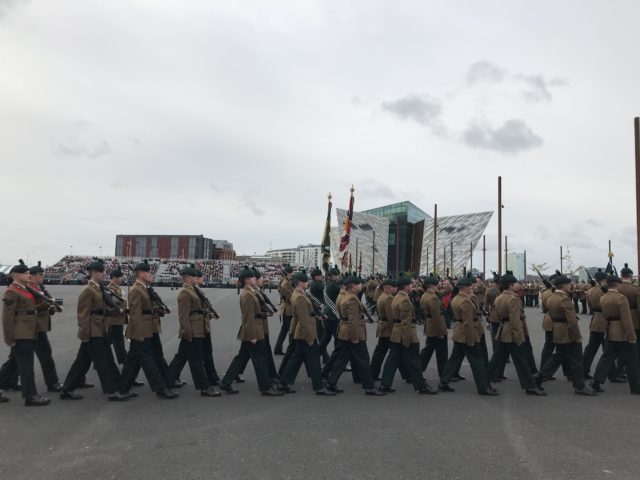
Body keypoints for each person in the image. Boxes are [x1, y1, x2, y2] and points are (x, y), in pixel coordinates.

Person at [59, 259, 131, 402]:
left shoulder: (98, 288)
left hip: (100, 328)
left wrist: (114, 311)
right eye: (102, 272)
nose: (104, 274)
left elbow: (100, 310)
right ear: (95, 273)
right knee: (103, 361)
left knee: (83, 362)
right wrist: (85, 333)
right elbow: (83, 314)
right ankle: (113, 391)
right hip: (92, 331)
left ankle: (67, 389)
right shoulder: (88, 290)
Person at [219, 267, 282, 396]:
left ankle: (226, 382)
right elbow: (248, 317)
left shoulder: (251, 292)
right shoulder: (247, 295)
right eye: (253, 277)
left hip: (254, 329)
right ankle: (265, 388)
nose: (256, 279)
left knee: (241, 358)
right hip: (253, 331)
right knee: (260, 360)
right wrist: (253, 335)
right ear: (247, 280)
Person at [119, 260, 178, 399]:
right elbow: (135, 313)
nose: (151, 274)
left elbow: (147, 309)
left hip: (147, 328)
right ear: (140, 274)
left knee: (133, 361)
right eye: (148, 272)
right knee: (148, 361)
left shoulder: (143, 288)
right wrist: (138, 332)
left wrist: (159, 310)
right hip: (141, 331)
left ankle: (122, 388)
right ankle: (161, 388)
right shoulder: (136, 290)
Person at [535, 274, 596, 395]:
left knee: (558, 356)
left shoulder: (552, 298)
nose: (570, 285)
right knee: (576, 359)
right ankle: (580, 386)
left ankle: (539, 377)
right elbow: (572, 321)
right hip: (567, 332)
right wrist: (577, 336)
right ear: (563, 286)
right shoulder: (564, 299)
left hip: (557, 330)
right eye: (568, 284)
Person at [165, 265, 221, 397]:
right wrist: (187, 332)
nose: (196, 278)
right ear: (188, 278)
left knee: (180, 358)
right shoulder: (185, 293)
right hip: (192, 331)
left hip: (197, 329)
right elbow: (183, 316)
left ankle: (165, 382)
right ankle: (204, 387)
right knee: (195, 360)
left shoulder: (193, 290)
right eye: (194, 276)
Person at [0, 260, 51, 406]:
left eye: (29, 273)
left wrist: (42, 307)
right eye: (26, 273)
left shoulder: (25, 289)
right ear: (16, 275)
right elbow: (7, 318)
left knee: (13, 363)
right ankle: (31, 396)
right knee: (26, 366)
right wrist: (9, 338)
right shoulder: (12, 291)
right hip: (20, 333)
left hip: (30, 331)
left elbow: (31, 309)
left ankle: (11, 385)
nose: (29, 275)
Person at [486, 272, 546, 395]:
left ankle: (485, 381)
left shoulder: (499, 297)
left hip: (503, 331)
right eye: (515, 284)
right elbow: (515, 320)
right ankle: (530, 386)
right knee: (521, 361)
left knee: (497, 358)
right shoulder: (513, 299)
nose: (516, 286)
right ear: (511, 285)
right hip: (512, 333)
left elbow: (497, 315)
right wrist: (519, 337)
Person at [325, 276, 385, 396]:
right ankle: (369, 387)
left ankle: (331, 383)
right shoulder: (351, 299)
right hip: (352, 333)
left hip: (345, 331)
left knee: (342, 360)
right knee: (363, 359)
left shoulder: (344, 296)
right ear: (353, 286)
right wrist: (355, 337)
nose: (360, 286)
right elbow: (352, 320)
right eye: (358, 284)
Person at [277, 271, 334, 396]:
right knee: (313, 359)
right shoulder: (300, 297)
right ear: (301, 283)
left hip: (302, 331)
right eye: (306, 281)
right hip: (305, 332)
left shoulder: (298, 294)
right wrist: (310, 336)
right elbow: (303, 319)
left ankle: (283, 382)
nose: (308, 283)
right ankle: (318, 387)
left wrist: (317, 316)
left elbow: (306, 314)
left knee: (297, 359)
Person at [438, 275, 497, 396]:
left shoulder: (456, 298)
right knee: (477, 362)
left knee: (454, 359)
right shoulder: (466, 302)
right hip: (467, 334)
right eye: (471, 285)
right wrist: (471, 340)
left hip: (459, 333)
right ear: (465, 287)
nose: (473, 287)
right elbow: (468, 322)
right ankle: (483, 387)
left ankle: (443, 382)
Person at [380, 277, 437, 394]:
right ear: (405, 286)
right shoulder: (404, 300)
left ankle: (385, 384)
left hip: (397, 332)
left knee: (392, 359)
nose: (412, 287)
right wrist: (407, 339)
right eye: (410, 285)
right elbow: (405, 321)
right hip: (405, 332)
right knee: (414, 360)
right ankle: (421, 386)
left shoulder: (396, 297)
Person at [591, 275, 640, 394]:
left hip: (610, 330)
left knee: (607, 358)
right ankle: (636, 387)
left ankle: (597, 381)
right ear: (617, 284)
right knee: (632, 360)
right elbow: (627, 320)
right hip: (622, 332)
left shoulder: (604, 297)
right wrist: (632, 336)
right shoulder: (621, 298)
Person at [28, 261, 62, 392]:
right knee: (46, 355)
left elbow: (45, 304)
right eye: (39, 274)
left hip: (39, 326)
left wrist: (50, 309)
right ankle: (52, 383)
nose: (42, 276)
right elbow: (29, 308)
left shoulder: (39, 288)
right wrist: (43, 308)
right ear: (32, 276)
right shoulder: (29, 289)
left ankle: (7, 381)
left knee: (16, 359)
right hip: (34, 327)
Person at [194, 268, 223, 387]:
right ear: (195, 279)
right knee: (197, 356)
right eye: (201, 277)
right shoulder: (192, 291)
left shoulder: (197, 290)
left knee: (184, 356)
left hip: (203, 325)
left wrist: (209, 313)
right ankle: (208, 380)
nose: (203, 279)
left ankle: (212, 377)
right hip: (197, 328)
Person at [419, 274, 448, 380]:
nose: (438, 286)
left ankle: (417, 371)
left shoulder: (425, 295)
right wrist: (440, 332)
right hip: (436, 327)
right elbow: (436, 316)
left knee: (427, 351)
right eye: (437, 284)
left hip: (429, 325)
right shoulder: (433, 298)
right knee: (442, 354)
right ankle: (444, 376)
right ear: (432, 286)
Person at [370, 278, 398, 380]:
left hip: (383, 325)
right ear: (389, 288)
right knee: (395, 353)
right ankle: (407, 375)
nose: (396, 289)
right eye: (394, 287)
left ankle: (373, 373)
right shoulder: (389, 298)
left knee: (380, 352)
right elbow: (391, 316)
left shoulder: (382, 296)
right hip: (388, 327)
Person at [618, 263, 640, 364]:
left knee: (622, 345)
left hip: (619, 319)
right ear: (631, 276)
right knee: (634, 345)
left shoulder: (616, 289)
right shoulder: (635, 290)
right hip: (634, 320)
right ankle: (632, 365)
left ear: (621, 276)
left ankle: (621, 365)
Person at [106, 267, 128, 365]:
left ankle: (99, 358)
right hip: (114, 317)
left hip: (118, 317)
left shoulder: (117, 287)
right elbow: (111, 302)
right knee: (118, 339)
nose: (121, 279)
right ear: (114, 277)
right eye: (120, 277)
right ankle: (123, 358)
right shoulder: (110, 288)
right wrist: (121, 304)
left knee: (109, 340)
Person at [273, 265, 294, 355]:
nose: (292, 275)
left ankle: (278, 349)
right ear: (288, 273)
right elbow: (290, 297)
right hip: (288, 309)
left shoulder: (283, 281)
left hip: (284, 308)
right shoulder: (286, 283)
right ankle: (291, 350)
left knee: (284, 330)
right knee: (291, 330)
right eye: (291, 273)